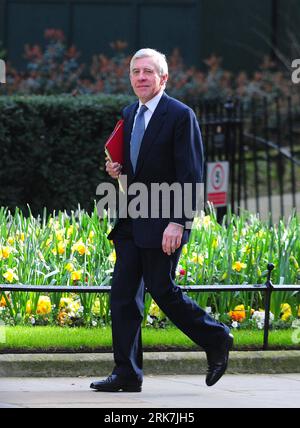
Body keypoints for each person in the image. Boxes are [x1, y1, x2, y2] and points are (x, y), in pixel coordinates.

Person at [90, 48, 233, 393]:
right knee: (123, 296)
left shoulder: (180, 115)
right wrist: (117, 170)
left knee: (163, 290)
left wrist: (178, 223)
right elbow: (133, 172)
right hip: (131, 219)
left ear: (163, 78)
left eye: (148, 72)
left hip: (164, 220)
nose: (140, 77)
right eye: (135, 71)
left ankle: (216, 338)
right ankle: (126, 373)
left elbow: (191, 174)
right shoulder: (128, 112)